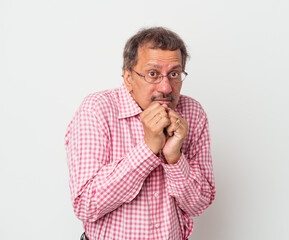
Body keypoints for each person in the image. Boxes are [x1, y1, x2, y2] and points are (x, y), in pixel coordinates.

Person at [65, 27, 215, 240]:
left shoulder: (193, 112)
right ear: (128, 77)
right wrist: (148, 149)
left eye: (174, 74)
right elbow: (86, 205)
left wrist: (174, 157)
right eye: (153, 74)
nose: (166, 87)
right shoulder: (97, 109)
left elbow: (199, 204)